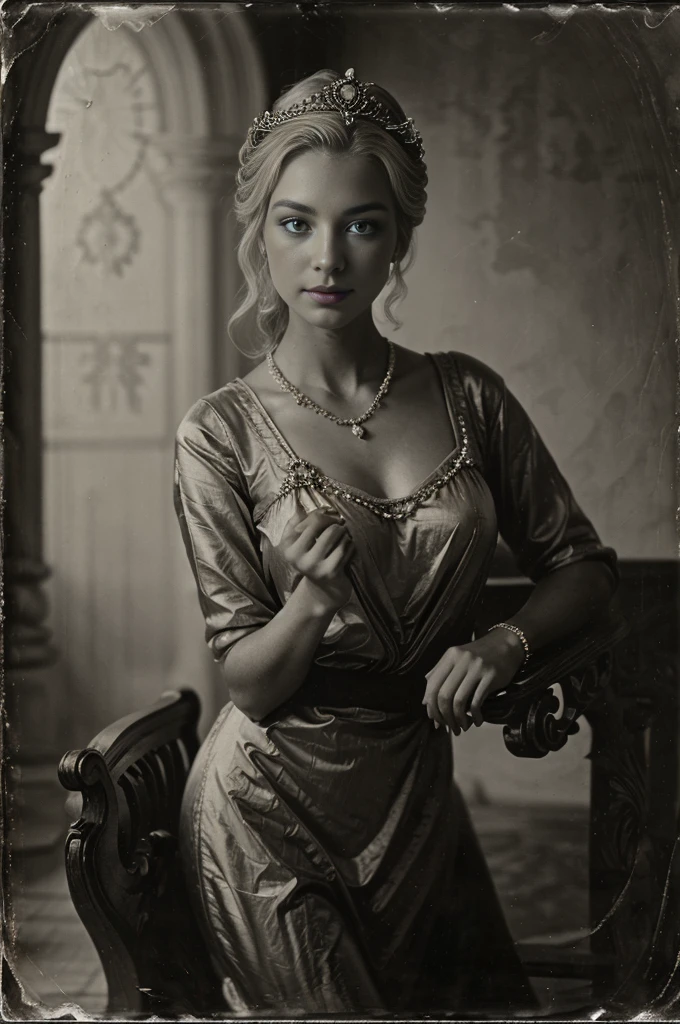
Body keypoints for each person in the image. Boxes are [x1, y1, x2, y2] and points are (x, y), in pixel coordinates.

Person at [173, 67, 618, 1015]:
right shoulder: (218, 431)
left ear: (398, 238)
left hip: (415, 797)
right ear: (260, 233)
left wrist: (503, 645)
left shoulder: (469, 394)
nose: (326, 257)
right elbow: (247, 681)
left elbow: (583, 568)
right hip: (267, 808)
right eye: (295, 223)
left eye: (360, 224)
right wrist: (309, 604)